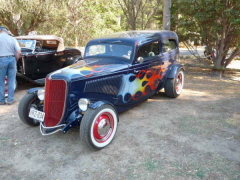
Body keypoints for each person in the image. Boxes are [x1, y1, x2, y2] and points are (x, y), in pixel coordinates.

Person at [0, 26, 21, 105]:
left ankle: (1, 100)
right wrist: (14, 60)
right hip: (12, 59)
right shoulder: (13, 39)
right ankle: (10, 100)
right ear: (6, 31)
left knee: (1, 82)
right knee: (11, 81)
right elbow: (19, 52)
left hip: (1, 60)